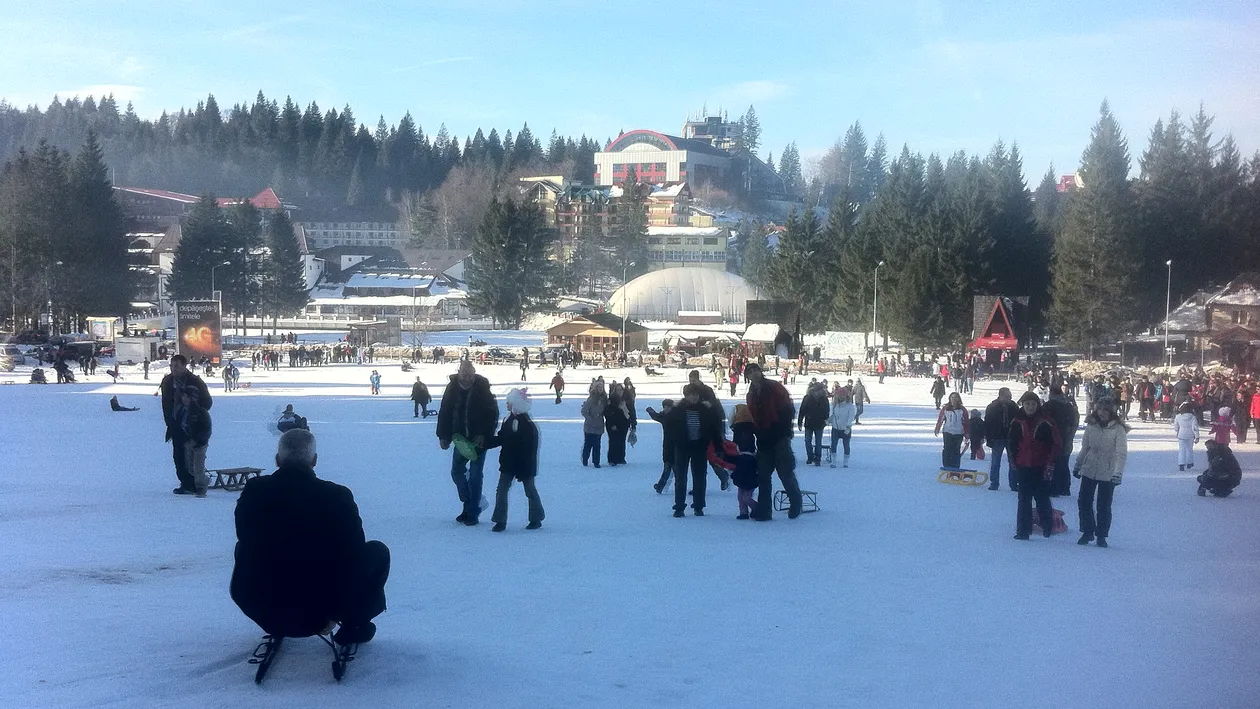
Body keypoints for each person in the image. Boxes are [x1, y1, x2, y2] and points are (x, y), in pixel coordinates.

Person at [230, 429, 389, 646]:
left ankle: (283, 615)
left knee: (243, 547)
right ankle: (355, 622)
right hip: (323, 608)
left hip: (263, 606)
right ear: (314, 460)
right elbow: (355, 551)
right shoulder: (337, 496)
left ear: (277, 460)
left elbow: (245, 536)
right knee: (377, 552)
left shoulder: (254, 491)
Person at [436, 360, 500, 525]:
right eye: (464, 374)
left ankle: (472, 512)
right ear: (459, 372)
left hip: (478, 441)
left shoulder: (482, 388)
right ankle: (470, 503)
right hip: (460, 439)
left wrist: (484, 435)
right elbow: (445, 412)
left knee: (475, 475)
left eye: (471, 375)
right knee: (456, 472)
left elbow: (492, 413)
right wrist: (443, 436)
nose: (468, 378)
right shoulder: (452, 388)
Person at [744, 363, 804, 520]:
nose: (754, 373)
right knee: (763, 476)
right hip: (763, 438)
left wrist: (784, 430)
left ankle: (796, 502)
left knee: (785, 472)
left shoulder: (774, 387)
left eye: (756, 370)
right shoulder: (750, 394)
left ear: (760, 371)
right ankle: (764, 510)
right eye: (750, 372)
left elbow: (788, 408)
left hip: (779, 436)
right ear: (747, 376)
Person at [484, 388, 544, 532]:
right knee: (502, 490)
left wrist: (524, 467)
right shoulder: (508, 419)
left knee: (530, 490)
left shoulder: (526, 424)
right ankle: (500, 520)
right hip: (508, 463)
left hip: (524, 465)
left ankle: (536, 518)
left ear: (516, 404)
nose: (506, 404)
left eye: (509, 402)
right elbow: (502, 438)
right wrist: (486, 443)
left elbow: (529, 448)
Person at [1072, 397, 1128, 547]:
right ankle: (1087, 531)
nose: (1102, 413)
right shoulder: (1091, 426)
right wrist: (1078, 464)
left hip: (1108, 471)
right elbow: (1085, 447)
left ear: (1111, 412)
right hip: (1089, 468)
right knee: (1084, 501)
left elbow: (1121, 453)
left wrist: (1118, 473)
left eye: (1106, 410)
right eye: (1100, 409)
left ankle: (1101, 535)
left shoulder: (1118, 429)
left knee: (1103, 505)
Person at [662, 382, 724, 517]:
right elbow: (669, 429)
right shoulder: (677, 410)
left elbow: (714, 429)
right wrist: (674, 444)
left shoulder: (705, 410)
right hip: (682, 448)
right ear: (686, 396)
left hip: (699, 447)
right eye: (691, 395)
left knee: (700, 478)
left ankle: (699, 506)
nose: (694, 397)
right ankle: (679, 507)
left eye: (696, 395)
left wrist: (718, 446)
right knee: (681, 478)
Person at [1008, 392, 1061, 540]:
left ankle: (1047, 526)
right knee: (1023, 499)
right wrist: (1013, 461)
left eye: (1033, 404)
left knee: (1041, 497)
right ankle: (1023, 531)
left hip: (1041, 465)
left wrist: (1050, 463)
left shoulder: (1046, 421)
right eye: (1027, 404)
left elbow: (1056, 444)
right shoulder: (1017, 421)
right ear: (1023, 405)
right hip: (1023, 464)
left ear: (1037, 405)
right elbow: (1011, 443)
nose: (1030, 407)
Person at [160, 354, 214, 496]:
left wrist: (193, 408)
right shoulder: (167, 381)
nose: (173, 369)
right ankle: (186, 483)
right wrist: (169, 421)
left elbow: (207, 402)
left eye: (177, 366)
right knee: (178, 456)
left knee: (193, 458)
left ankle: (197, 483)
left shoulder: (195, 381)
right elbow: (166, 404)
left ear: (185, 366)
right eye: (172, 366)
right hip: (176, 423)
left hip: (192, 424)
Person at [1042, 385, 1081, 497]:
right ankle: (1065, 488)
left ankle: (1054, 488)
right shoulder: (1069, 406)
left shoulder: (1048, 406)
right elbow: (1075, 421)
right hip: (1067, 438)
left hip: (1053, 440)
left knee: (1053, 464)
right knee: (1064, 463)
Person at [177, 388, 213, 497]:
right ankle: (205, 480)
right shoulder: (183, 410)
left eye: (187, 396)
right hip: (188, 442)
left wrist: (199, 440)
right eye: (183, 396)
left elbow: (206, 428)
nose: (184, 399)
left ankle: (201, 488)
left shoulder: (201, 412)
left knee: (198, 468)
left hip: (199, 444)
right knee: (190, 468)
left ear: (193, 398)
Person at [984, 388, 1019, 491]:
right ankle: (994, 483)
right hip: (997, 437)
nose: (1010, 398)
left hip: (1011, 437)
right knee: (995, 462)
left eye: (1010, 396)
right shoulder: (992, 407)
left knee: (1013, 462)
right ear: (1001, 396)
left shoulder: (1014, 406)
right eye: (1008, 396)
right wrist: (988, 438)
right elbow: (987, 423)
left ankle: (1013, 484)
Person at [729, 404, 759, 517]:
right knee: (742, 496)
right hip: (745, 474)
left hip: (746, 476)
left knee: (744, 497)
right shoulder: (750, 428)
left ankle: (756, 508)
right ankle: (744, 512)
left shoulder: (737, 430)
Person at [646, 399, 677, 493]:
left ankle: (662, 486)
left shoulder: (677, 417)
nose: (666, 409)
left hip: (676, 446)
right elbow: (656, 416)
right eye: (665, 407)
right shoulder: (664, 416)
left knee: (673, 468)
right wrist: (650, 411)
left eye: (668, 407)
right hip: (667, 445)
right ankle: (661, 486)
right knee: (669, 466)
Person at [797, 381, 830, 466]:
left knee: (818, 441)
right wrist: (800, 422)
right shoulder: (807, 398)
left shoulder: (824, 399)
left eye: (820, 390)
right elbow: (802, 410)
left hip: (820, 423)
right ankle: (810, 456)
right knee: (807, 441)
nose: (819, 392)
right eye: (817, 390)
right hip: (809, 422)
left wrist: (826, 420)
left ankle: (817, 458)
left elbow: (827, 410)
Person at [934, 392, 969, 468]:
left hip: (959, 432)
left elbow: (966, 422)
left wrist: (967, 434)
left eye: (955, 397)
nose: (953, 399)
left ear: (958, 399)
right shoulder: (946, 408)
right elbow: (940, 419)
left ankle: (955, 467)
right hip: (948, 431)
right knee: (947, 449)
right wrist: (937, 428)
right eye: (952, 397)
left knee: (956, 450)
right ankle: (946, 466)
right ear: (949, 399)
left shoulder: (962, 410)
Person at [604, 382, 634, 466]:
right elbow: (608, 413)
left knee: (622, 441)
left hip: (624, 423)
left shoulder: (627, 400)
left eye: (621, 389)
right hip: (613, 424)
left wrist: (633, 424)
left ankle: (621, 458)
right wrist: (612, 424)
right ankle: (612, 459)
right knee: (613, 441)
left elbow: (632, 412)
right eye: (617, 390)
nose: (619, 391)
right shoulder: (611, 400)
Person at [580, 379, 607, 468]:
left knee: (597, 445)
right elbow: (584, 411)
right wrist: (590, 418)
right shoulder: (591, 399)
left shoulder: (604, 399)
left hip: (599, 425)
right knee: (588, 444)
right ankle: (585, 458)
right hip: (590, 426)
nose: (600, 389)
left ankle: (596, 461)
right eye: (598, 387)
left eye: (602, 387)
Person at [828, 387, 856, 468]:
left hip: (845, 428)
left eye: (843, 395)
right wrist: (829, 420)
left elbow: (851, 417)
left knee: (846, 445)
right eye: (839, 395)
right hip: (835, 427)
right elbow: (833, 415)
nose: (841, 396)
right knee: (833, 444)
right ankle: (833, 462)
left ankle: (845, 462)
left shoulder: (850, 406)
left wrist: (848, 426)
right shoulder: (834, 405)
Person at [1172, 402, 1199, 471]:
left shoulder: (1178, 416)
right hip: (1190, 435)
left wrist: (1177, 431)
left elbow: (1175, 426)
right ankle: (1190, 463)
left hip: (1181, 434)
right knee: (1190, 449)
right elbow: (1195, 427)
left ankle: (1181, 463)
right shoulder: (1193, 417)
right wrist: (1197, 436)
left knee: (1182, 449)